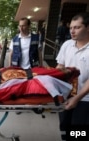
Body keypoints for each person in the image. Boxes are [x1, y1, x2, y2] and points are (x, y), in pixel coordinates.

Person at [56, 12, 89, 141]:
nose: (72, 31)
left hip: (85, 99)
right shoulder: (67, 45)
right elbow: (60, 67)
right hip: (65, 96)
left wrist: (77, 98)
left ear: (87, 28)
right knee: (65, 130)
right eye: (71, 28)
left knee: (78, 133)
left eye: (77, 27)